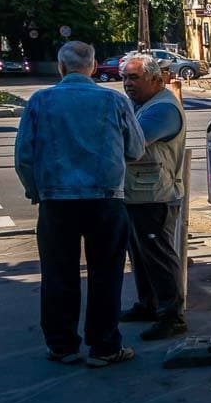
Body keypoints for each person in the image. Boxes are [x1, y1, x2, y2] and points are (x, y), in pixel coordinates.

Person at [14, 41, 146, 367]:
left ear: (61, 67)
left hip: (56, 201)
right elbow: (136, 149)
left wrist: (36, 190)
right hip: (105, 199)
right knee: (106, 274)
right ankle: (104, 347)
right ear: (93, 66)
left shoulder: (40, 102)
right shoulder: (113, 100)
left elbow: (24, 158)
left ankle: (62, 346)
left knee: (58, 274)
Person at [118, 52, 189, 340]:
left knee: (158, 255)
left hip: (155, 193)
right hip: (139, 192)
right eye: (124, 78)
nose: (127, 84)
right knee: (141, 255)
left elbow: (133, 145)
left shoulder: (162, 109)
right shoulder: (143, 104)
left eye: (134, 78)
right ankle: (149, 304)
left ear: (156, 80)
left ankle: (172, 315)